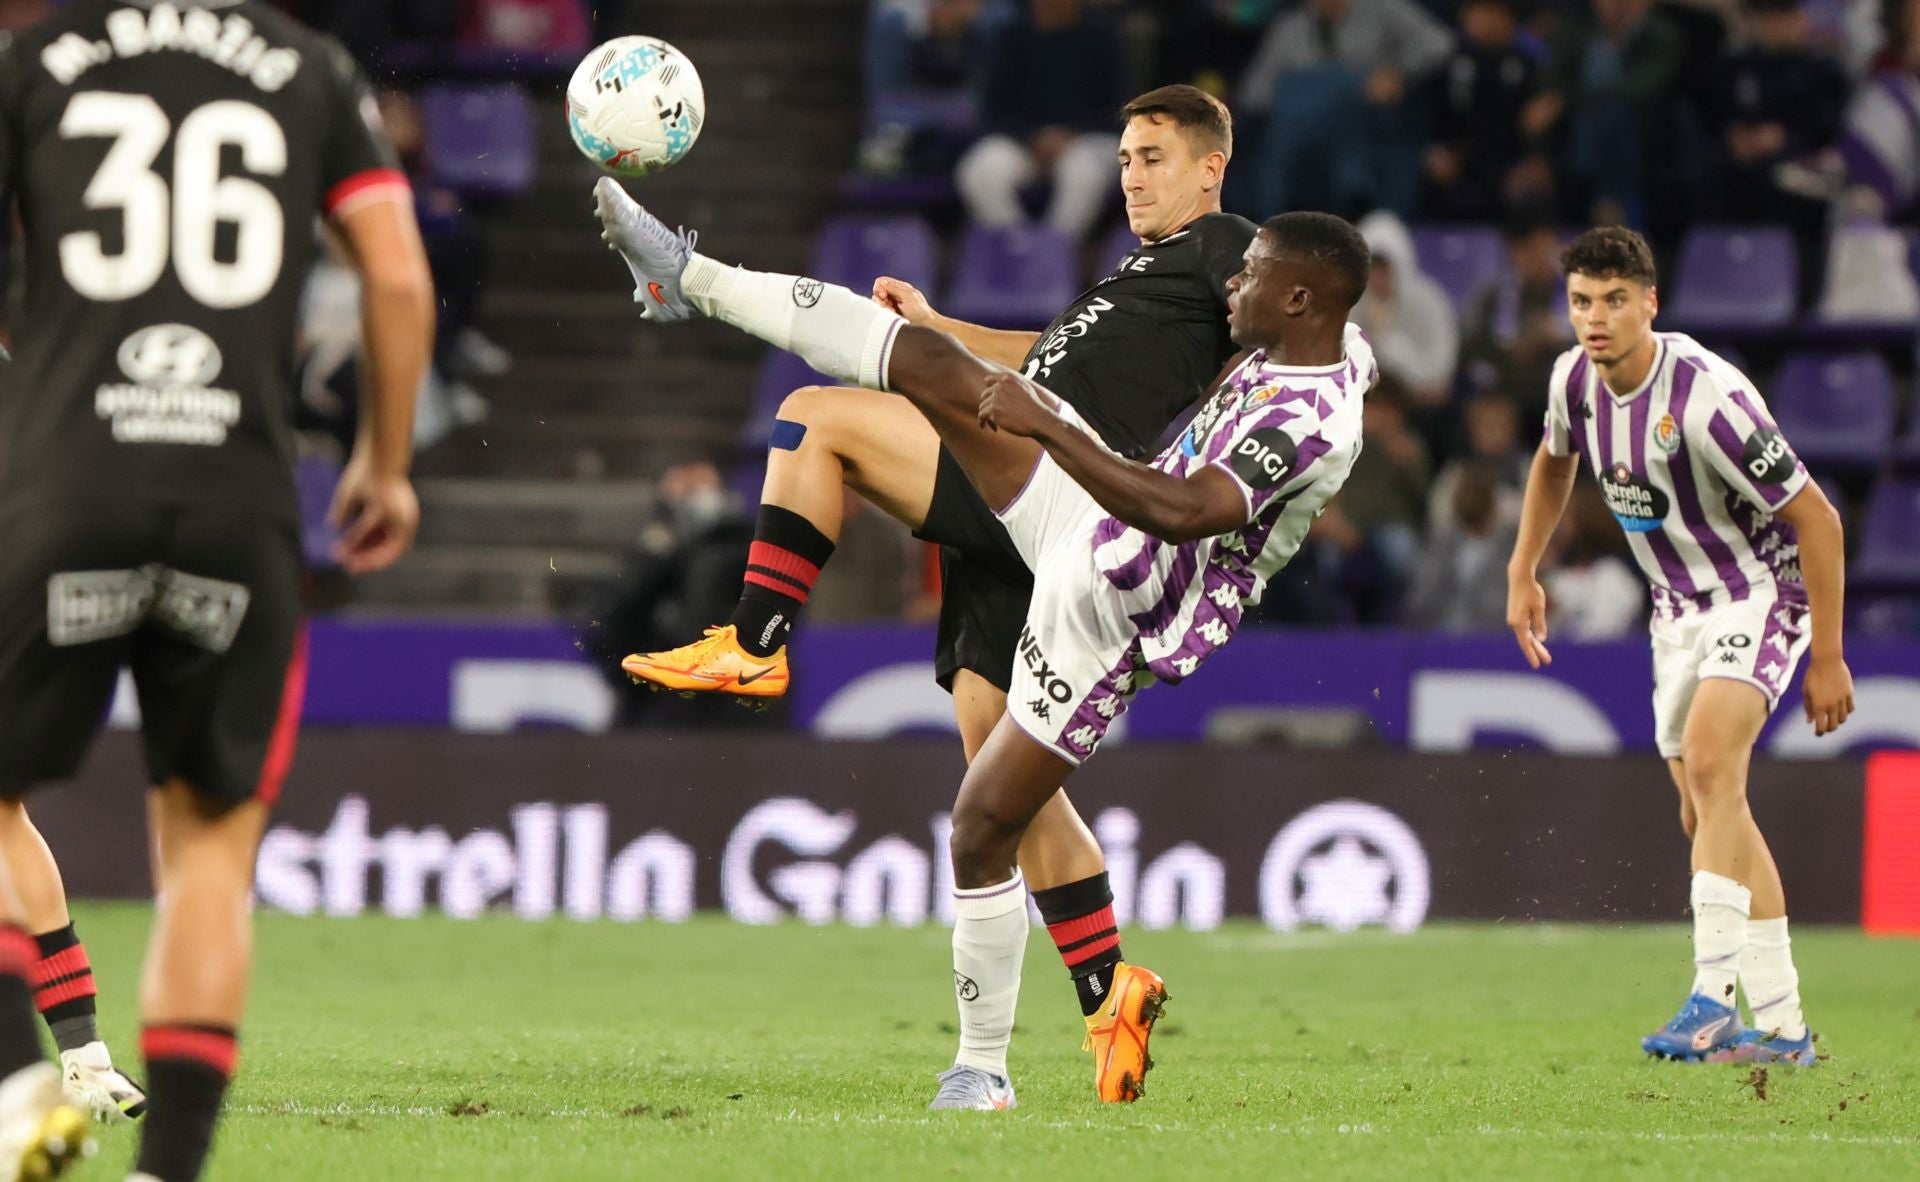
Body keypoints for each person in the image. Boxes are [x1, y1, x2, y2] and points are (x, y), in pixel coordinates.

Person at [598, 189, 1374, 1108]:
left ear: (1298, 303)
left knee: (981, 826)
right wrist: (1036, 399)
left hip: (1109, 611)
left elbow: (1184, 512)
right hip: (1085, 513)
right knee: (924, 360)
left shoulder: (1311, 419)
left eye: (1252, 276)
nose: (1233, 283)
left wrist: (1045, 422)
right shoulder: (1318, 341)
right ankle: (695, 280)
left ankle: (984, 1069)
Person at [0, 4, 431, 1178]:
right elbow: (395, 278)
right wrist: (384, 462)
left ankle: (18, 1083)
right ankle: (167, 1169)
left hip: (63, 485)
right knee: (204, 852)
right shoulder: (309, 68)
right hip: (240, 500)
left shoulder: (34, 64)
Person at [1506, 227, 1852, 1068]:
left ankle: (1711, 1000)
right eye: (1582, 301)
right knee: (1711, 813)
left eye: (1615, 301)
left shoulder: (1705, 399)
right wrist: (1523, 568)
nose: (1595, 318)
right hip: (1676, 610)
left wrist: (1829, 655)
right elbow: (1555, 465)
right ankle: (1785, 1028)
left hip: (1759, 593)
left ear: (1650, 304)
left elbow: (1819, 519)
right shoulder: (1572, 382)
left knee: (1709, 768)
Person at [955, 0, 1131, 240]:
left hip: (1085, 140)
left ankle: (1057, 250)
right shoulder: (1011, 38)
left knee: (1084, 173)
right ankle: (1019, 245)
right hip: (1024, 142)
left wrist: (1070, 135)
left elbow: (1120, 108)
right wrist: (1030, 137)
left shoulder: (1104, 37)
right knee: (979, 172)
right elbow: (993, 110)